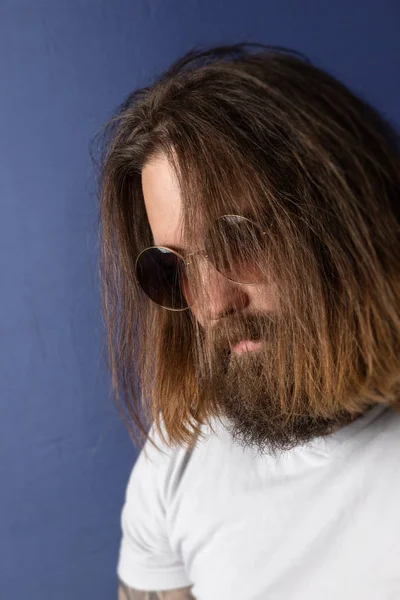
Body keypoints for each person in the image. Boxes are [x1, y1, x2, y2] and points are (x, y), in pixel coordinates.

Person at [97, 43, 400, 600]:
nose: (211, 304)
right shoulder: (180, 450)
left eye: (238, 239)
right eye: (172, 266)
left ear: (347, 223)